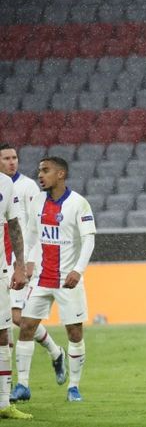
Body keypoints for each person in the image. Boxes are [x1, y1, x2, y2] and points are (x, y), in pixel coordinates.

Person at [11, 157, 96, 403]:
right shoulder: (38, 201)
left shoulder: (78, 203)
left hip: (68, 280)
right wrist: (24, 264)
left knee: (74, 332)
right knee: (26, 327)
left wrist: (78, 270)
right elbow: (30, 234)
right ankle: (23, 386)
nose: (40, 175)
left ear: (61, 174)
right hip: (41, 278)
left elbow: (89, 239)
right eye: (39, 170)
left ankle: (74, 387)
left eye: (45, 171)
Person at [0, 144, 66, 386]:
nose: (12, 162)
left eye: (14, 157)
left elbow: (34, 225)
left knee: (17, 318)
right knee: (6, 322)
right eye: (6, 158)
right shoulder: (1, 186)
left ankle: (52, 353)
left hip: (24, 262)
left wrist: (28, 261)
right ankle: (54, 353)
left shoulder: (28, 187)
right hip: (2, 260)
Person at [0, 171, 32, 419]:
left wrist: (19, 265)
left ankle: (3, 403)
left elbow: (12, 225)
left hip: (0, 271)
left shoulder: (5, 183)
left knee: (2, 334)